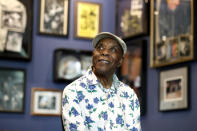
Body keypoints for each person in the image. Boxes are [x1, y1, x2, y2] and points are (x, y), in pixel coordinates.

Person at [62, 32, 141, 131]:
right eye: (100, 47)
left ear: (120, 61)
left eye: (113, 49)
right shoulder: (73, 91)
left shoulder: (129, 95)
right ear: (93, 55)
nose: (105, 52)